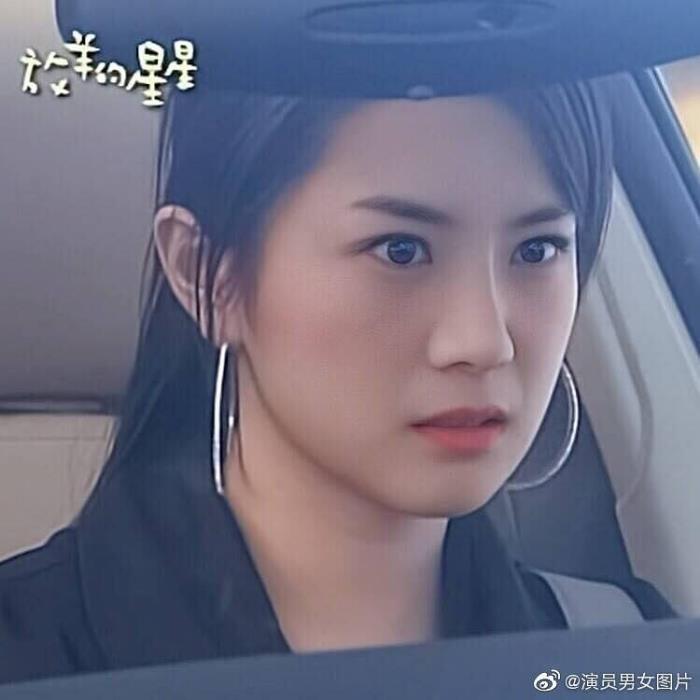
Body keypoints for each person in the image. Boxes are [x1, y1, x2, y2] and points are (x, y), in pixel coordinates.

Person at [0, 81, 677, 684]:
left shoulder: (627, 654)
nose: (483, 342)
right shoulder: (30, 657)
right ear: (210, 277)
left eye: (538, 249)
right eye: (400, 250)